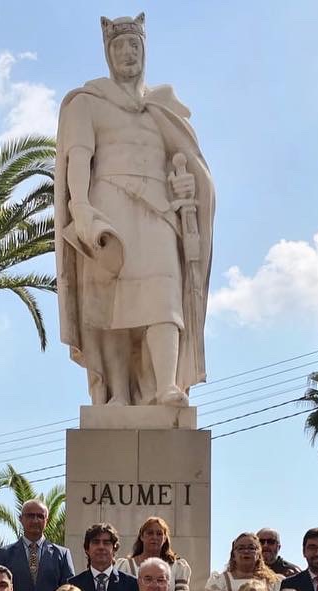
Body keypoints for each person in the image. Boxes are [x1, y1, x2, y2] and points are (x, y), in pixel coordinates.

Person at [55, 10, 213, 408]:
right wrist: (82, 208)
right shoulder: (86, 102)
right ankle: (118, 394)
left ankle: (165, 388)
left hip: (159, 211)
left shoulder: (163, 108)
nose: (127, 53)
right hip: (107, 209)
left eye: (134, 45)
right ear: (108, 53)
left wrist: (188, 187)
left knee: (164, 298)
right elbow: (78, 159)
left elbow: (188, 165)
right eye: (119, 46)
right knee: (110, 308)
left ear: (144, 49)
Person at [0, 499, 75, 591]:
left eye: (40, 516)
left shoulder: (62, 554)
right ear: (21, 519)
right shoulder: (4, 554)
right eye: (30, 516)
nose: (35, 520)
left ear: (46, 521)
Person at [68, 522, 138, 591]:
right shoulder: (73, 585)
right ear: (87, 549)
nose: (101, 547)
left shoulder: (131, 584)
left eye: (106, 543)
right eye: (96, 542)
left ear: (114, 549)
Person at [116, 516, 193, 591]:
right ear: (141, 536)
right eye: (150, 533)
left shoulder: (178, 567)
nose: (154, 537)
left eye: (159, 534)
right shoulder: (125, 566)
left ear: (165, 538)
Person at [204, 532, 281, 591]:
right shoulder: (220, 581)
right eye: (241, 548)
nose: (246, 551)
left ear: (258, 554)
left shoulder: (272, 582)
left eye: (251, 548)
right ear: (234, 555)